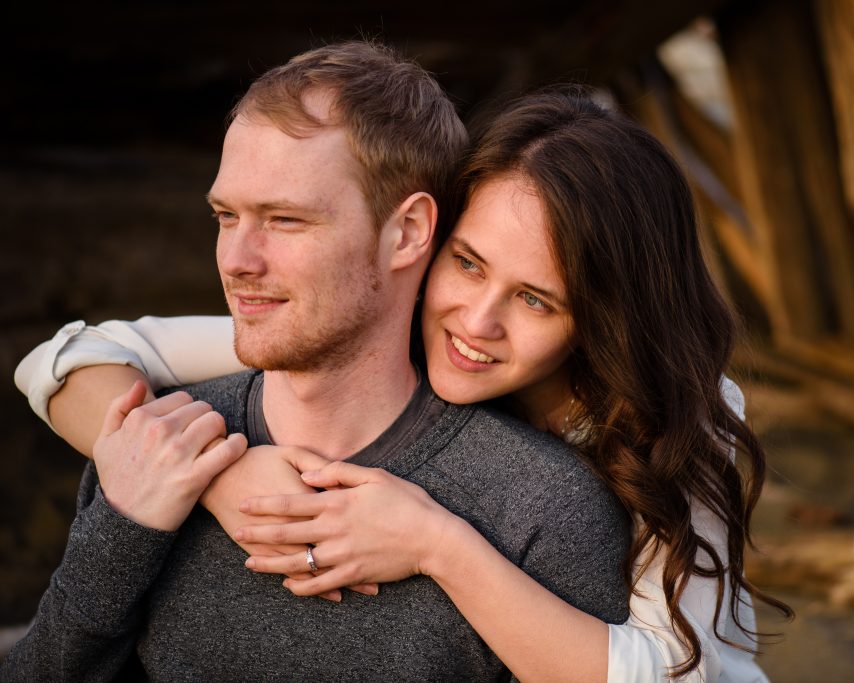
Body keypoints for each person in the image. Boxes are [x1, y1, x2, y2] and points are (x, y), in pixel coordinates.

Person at [14, 91, 791, 681]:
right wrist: (227, 476)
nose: (476, 323)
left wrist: (437, 542)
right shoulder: (398, 330)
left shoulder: (678, 416)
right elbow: (78, 357)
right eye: (469, 262)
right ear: (429, 241)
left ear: (603, 321)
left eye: (535, 298)